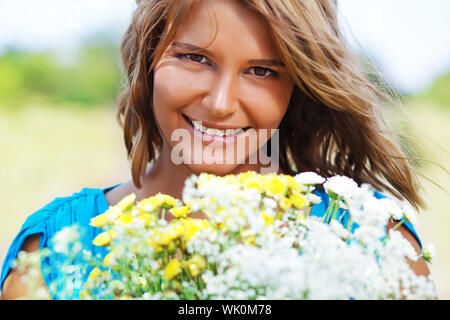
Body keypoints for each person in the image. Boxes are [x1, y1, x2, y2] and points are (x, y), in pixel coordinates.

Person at [1, 0, 431, 300]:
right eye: (195, 59)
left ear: (297, 84)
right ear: (149, 55)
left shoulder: (376, 241)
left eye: (262, 71)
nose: (221, 103)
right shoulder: (51, 252)